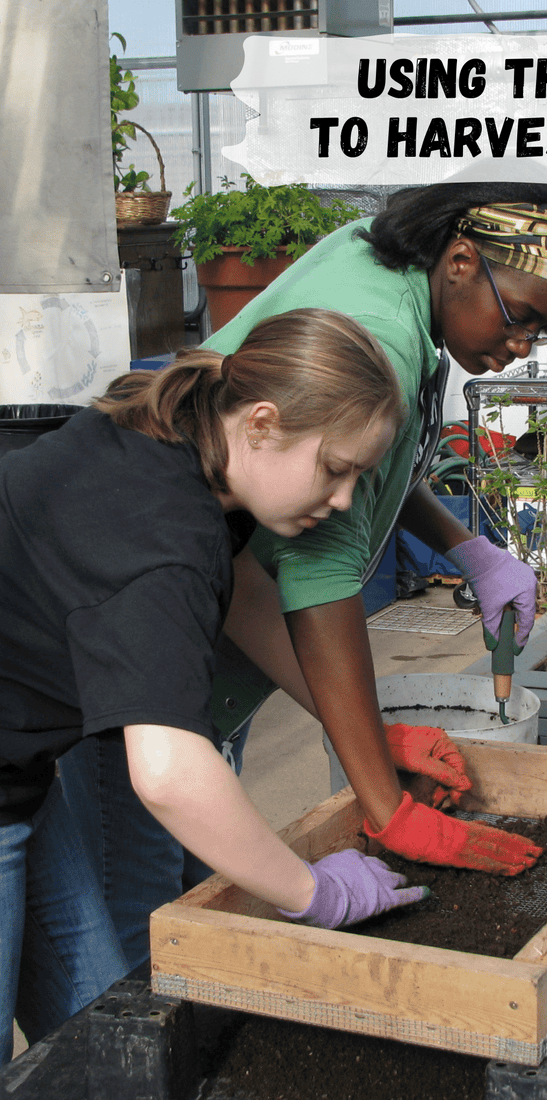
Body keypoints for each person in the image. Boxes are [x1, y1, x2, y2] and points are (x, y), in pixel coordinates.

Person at [60, 179, 547, 969]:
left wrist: (462, 545)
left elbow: (349, 465)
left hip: (215, 636)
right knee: (137, 929)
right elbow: (317, 577)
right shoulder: (380, 330)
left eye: (543, 333)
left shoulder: (385, 267)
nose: (523, 345)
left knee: (189, 880)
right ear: (459, 262)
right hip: (144, 674)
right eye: (521, 317)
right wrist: (383, 805)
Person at [0, 308, 498, 1065]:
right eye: (336, 469)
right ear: (262, 423)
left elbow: (246, 594)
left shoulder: (189, 439)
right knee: (101, 1045)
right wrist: (308, 891)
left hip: (22, 772)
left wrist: (354, 729)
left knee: (99, 1027)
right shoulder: (164, 538)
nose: (342, 500)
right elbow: (168, 775)